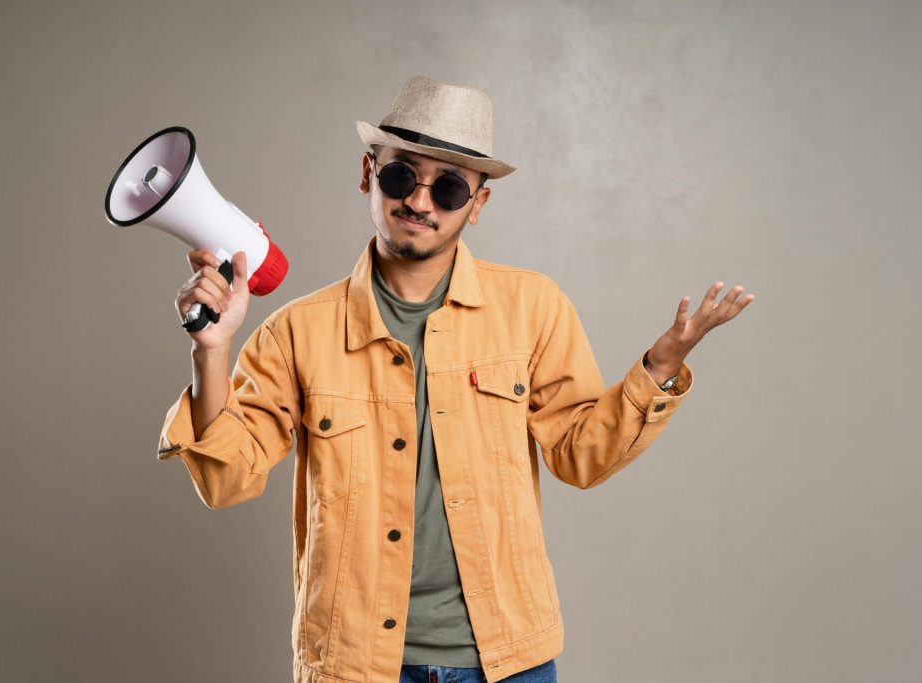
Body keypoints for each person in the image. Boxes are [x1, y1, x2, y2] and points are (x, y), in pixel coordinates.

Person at [157, 76, 754, 683]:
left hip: (508, 662)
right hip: (354, 665)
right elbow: (226, 480)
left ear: (479, 203)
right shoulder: (295, 332)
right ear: (368, 173)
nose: (420, 202)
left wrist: (660, 368)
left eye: (448, 187)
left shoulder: (534, 308)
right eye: (401, 176)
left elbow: (581, 457)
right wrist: (212, 350)